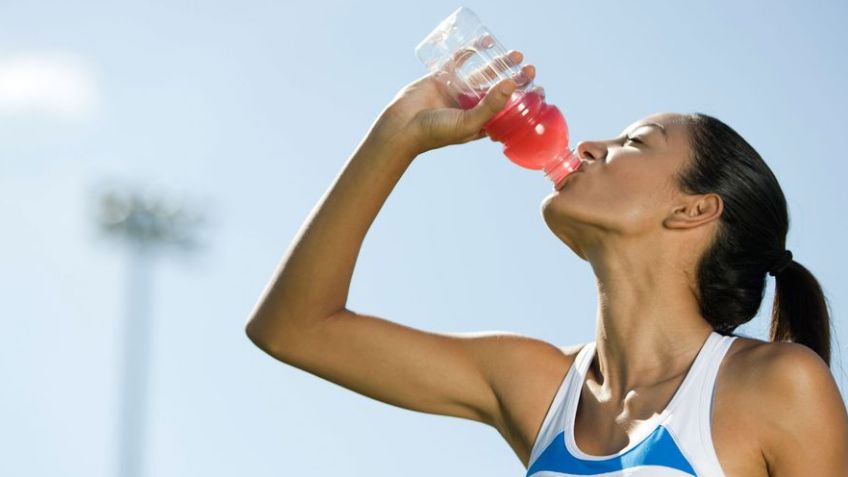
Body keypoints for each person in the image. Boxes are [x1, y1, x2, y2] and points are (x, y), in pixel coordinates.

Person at [244, 50, 848, 476]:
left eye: (634, 142)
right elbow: (293, 328)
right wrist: (399, 132)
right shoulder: (538, 386)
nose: (588, 145)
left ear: (694, 210)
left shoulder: (776, 385)